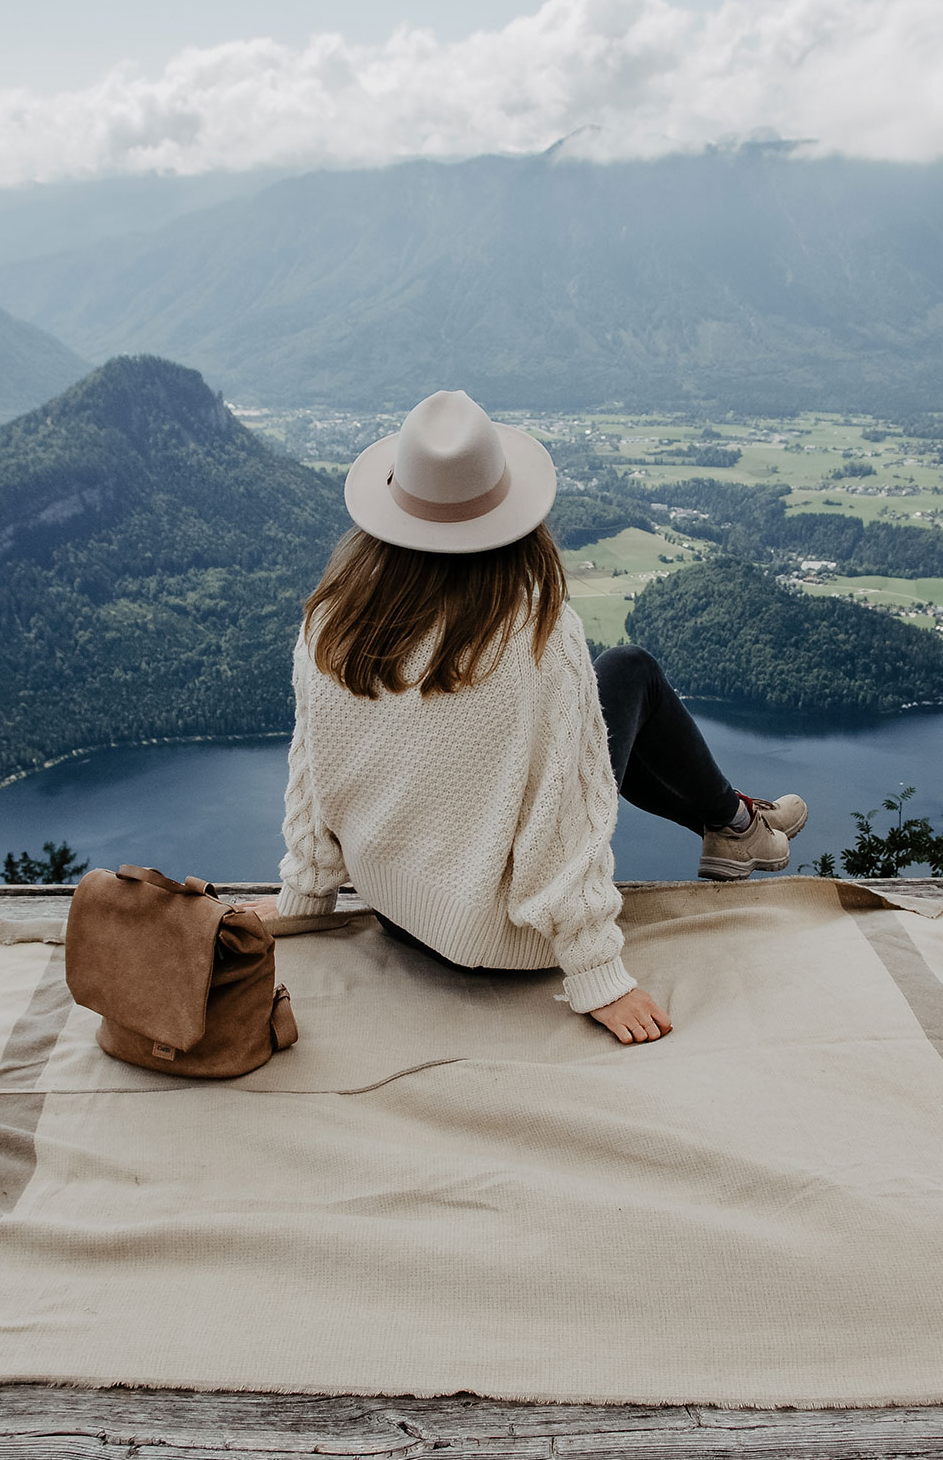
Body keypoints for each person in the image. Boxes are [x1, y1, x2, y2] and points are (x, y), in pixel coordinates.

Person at [255, 390, 807, 1045]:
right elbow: (562, 814)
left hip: (398, 912)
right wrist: (599, 977)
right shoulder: (539, 638)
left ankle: (735, 824)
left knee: (610, 691)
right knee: (628, 672)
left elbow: (313, 767)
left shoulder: (330, 619)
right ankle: (736, 824)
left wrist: (306, 895)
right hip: (505, 940)